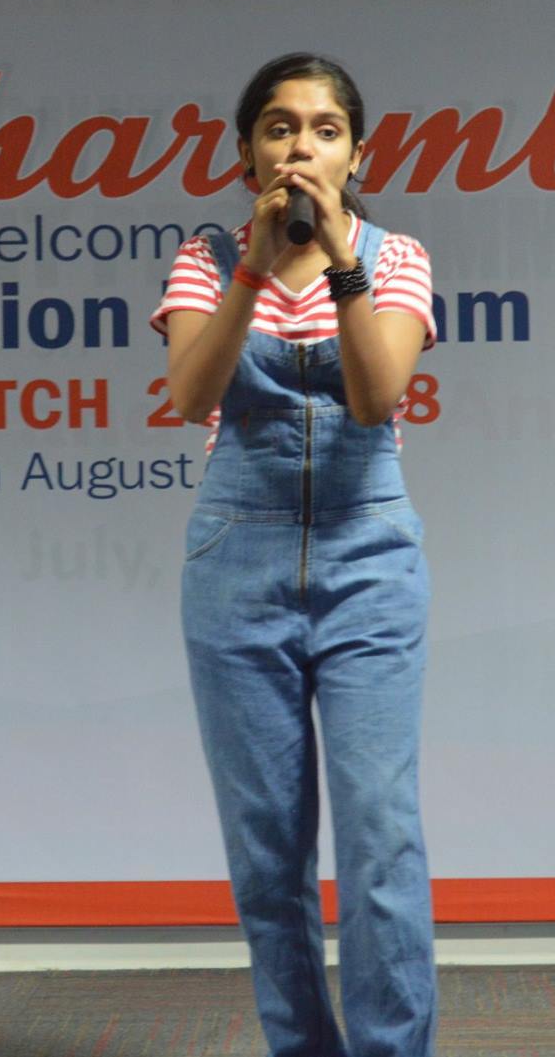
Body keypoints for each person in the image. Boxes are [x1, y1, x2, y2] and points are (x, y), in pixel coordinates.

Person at [153, 53, 438, 1057]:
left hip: (369, 557)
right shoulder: (204, 261)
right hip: (239, 563)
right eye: (279, 128)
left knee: (379, 836)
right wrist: (255, 266)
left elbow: (375, 394)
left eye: (324, 129)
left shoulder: (396, 257)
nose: (300, 147)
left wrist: (339, 259)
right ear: (247, 155)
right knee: (267, 851)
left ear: (356, 154)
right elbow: (190, 394)